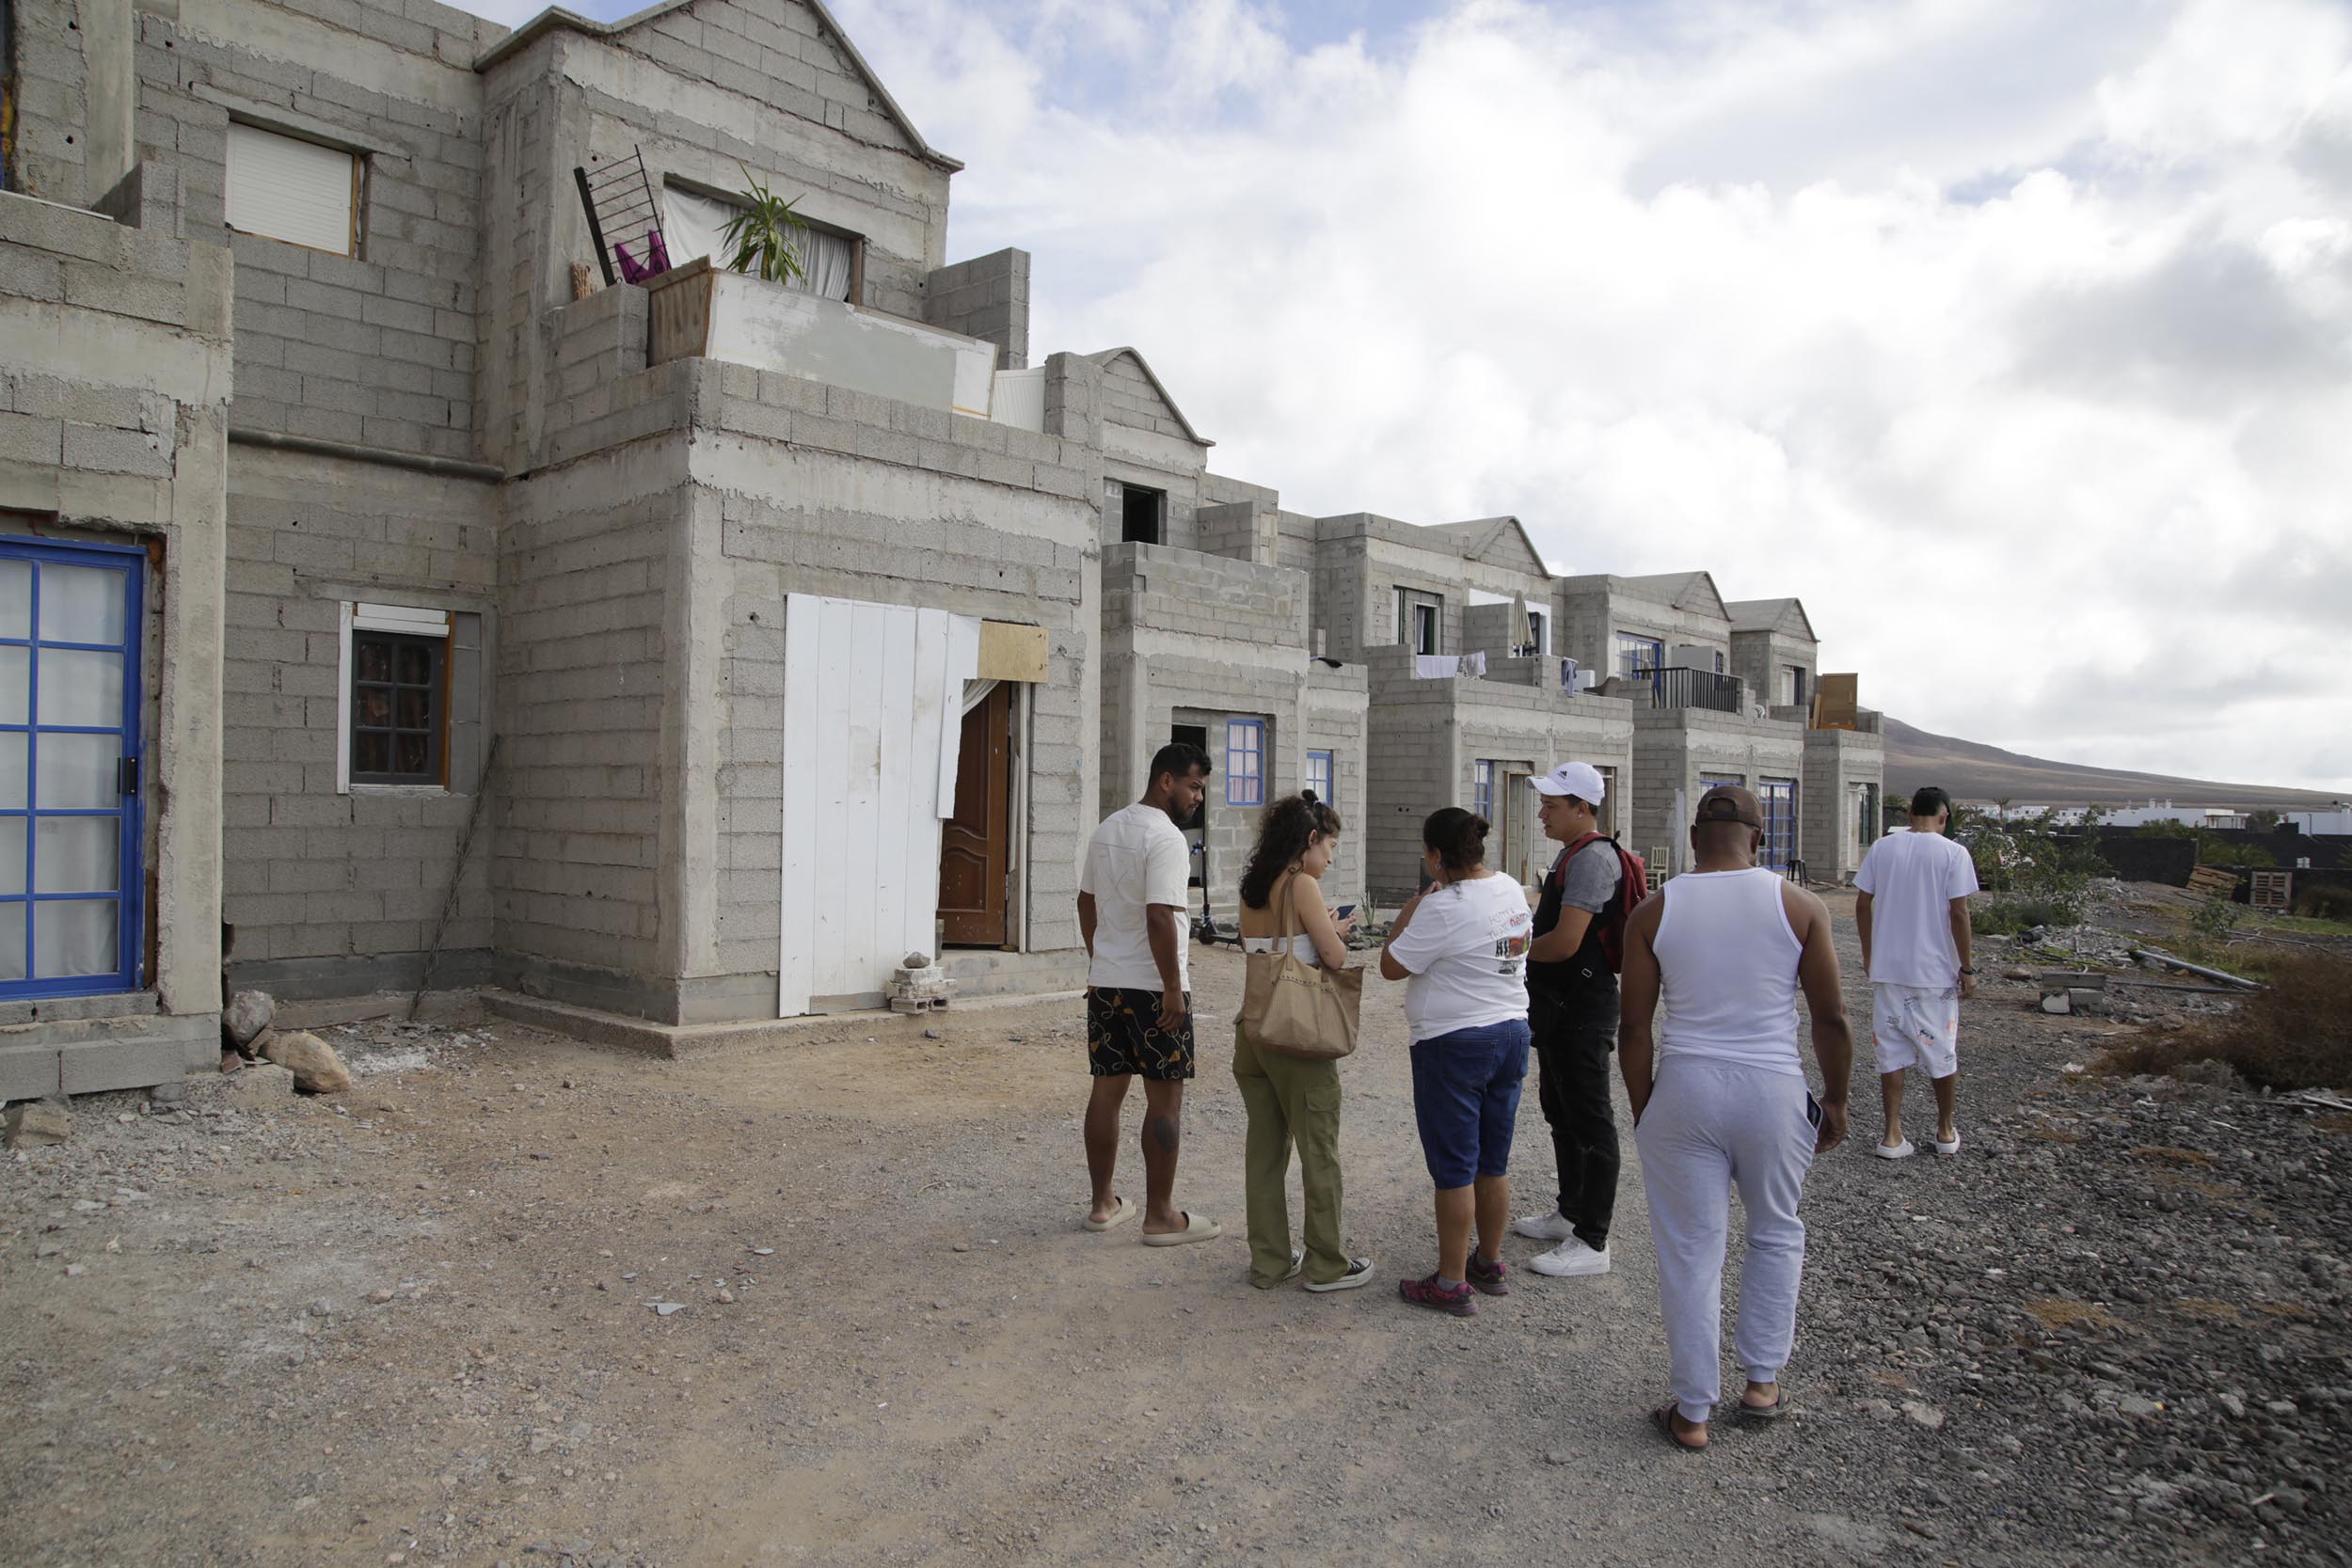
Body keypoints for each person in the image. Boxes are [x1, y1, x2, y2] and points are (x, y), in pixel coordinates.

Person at [1619, 784, 1853, 1451]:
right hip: (1773, 1091)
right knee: (1776, 1230)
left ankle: (1691, 1410)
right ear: (1759, 840)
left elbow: (1634, 1027)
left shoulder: (1654, 910)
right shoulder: (1800, 905)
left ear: (1694, 839)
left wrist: (1646, 1109)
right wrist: (1834, 1099)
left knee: (1692, 1251)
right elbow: (1831, 1018)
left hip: (1687, 1088)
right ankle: (1761, 1381)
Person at [1379, 807, 1534, 1316]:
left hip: (1455, 1043)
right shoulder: (1510, 889)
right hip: (1512, 1031)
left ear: (1438, 856)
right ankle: (1488, 1261)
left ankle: (1450, 1282)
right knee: (1493, 1161)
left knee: (1454, 1169)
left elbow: (1390, 966)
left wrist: (1408, 911)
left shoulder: (1441, 909)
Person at [1076, 742, 1220, 1245]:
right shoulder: (1166, 838)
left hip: (1108, 984)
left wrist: (1101, 957)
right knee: (1165, 1100)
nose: (1198, 797)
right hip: (1154, 990)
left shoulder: (1108, 828)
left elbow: (1086, 901)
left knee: (1106, 1093)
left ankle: (1102, 1205)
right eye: (1194, 786)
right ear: (1167, 781)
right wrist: (1173, 989)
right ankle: (1160, 1215)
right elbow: (1160, 915)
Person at [1232, 793, 1375, 1291]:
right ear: (1310, 840)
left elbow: (1273, 943)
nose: (1331, 857)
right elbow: (1333, 959)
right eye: (1330, 845)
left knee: (1265, 1152)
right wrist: (1333, 931)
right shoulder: (1303, 885)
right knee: (1319, 1151)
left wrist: (1319, 932)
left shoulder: (1255, 885)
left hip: (1253, 1029)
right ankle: (1326, 1265)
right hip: (1296, 1031)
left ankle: (1269, 1262)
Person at [1512, 761, 1624, 1279]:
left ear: (1583, 808)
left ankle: (1592, 1239)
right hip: (1561, 1010)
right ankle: (1570, 1212)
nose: (1542, 814)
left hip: (1583, 1009)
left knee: (1591, 1120)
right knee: (1560, 1110)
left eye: (1552, 806)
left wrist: (1507, 951)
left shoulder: (1593, 860)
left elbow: (1564, 942)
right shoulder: (1570, 856)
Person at [1853, 785, 1979, 1158]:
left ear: (1908, 816)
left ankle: (1892, 1135)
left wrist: (1868, 952)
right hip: (1935, 972)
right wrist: (1967, 967)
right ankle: (1944, 1130)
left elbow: (1863, 902)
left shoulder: (1882, 848)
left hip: (1889, 970)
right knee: (1941, 1050)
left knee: (1889, 1050)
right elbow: (1959, 913)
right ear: (1945, 817)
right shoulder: (1954, 853)